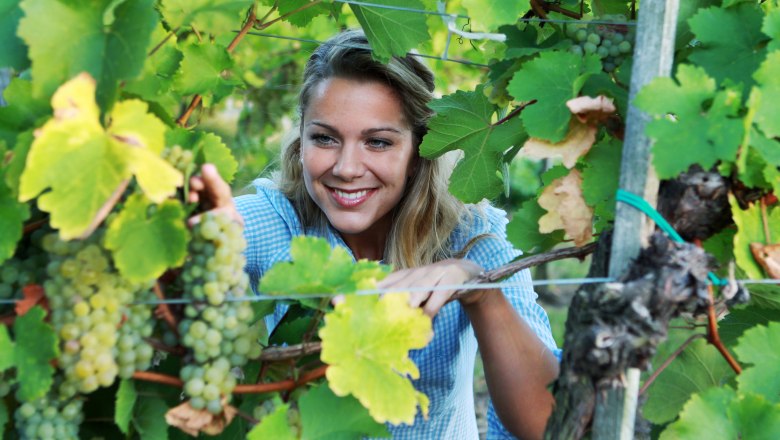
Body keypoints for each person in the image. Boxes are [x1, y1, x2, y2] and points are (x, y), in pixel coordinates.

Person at [190, 29, 560, 439]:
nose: (347, 167)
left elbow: (544, 425)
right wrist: (202, 243)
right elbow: (189, 283)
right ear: (301, 140)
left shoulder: (475, 236)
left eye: (378, 142)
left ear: (420, 151)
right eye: (325, 138)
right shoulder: (270, 222)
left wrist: (481, 294)